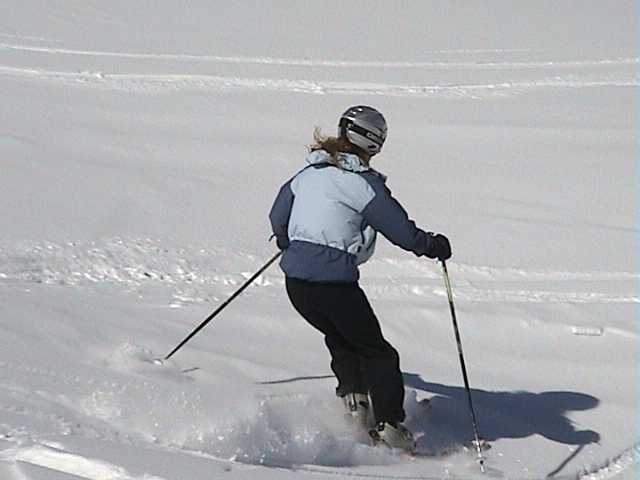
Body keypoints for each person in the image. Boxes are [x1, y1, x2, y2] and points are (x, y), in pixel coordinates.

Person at [269, 105, 451, 451]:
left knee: (341, 337)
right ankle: (390, 428)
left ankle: (355, 404)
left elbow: (278, 215)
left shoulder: (307, 174)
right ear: (373, 141)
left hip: (296, 285)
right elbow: (403, 233)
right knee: (379, 354)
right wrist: (434, 245)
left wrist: (286, 241)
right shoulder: (363, 186)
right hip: (333, 286)